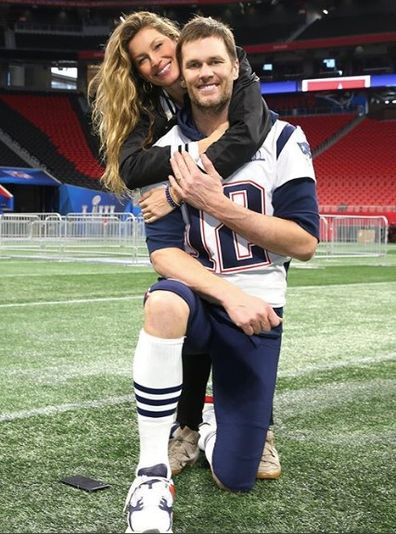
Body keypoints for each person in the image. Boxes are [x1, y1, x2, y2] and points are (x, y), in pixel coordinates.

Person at [123, 16, 319, 533]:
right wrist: (228, 294)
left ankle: (214, 429)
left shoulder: (282, 137)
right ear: (182, 77)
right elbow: (163, 255)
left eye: (215, 62)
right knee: (163, 300)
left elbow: (304, 243)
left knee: (237, 476)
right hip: (205, 301)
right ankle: (150, 474)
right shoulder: (165, 149)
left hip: (258, 314)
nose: (206, 73)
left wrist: (218, 205)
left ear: (235, 66)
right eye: (195, 65)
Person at [89, 11, 281, 480]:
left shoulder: (232, 69)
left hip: (244, 212)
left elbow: (250, 131)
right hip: (196, 226)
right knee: (183, 303)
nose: (155, 61)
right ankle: (188, 425)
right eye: (141, 60)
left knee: (252, 311)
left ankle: (259, 425)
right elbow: (133, 169)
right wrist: (196, 151)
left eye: (159, 46)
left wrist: (177, 186)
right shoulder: (151, 107)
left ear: (176, 39)